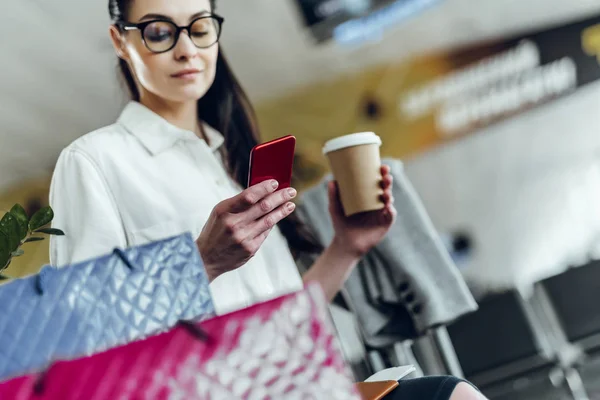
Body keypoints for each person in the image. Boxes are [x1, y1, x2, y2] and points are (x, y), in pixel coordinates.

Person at [48, 0, 487, 398]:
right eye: (159, 33)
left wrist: (347, 246)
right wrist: (202, 263)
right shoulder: (94, 162)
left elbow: (283, 317)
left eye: (199, 28)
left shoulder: (226, 162)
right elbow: (85, 342)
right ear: (120, 41)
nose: (186, 50)